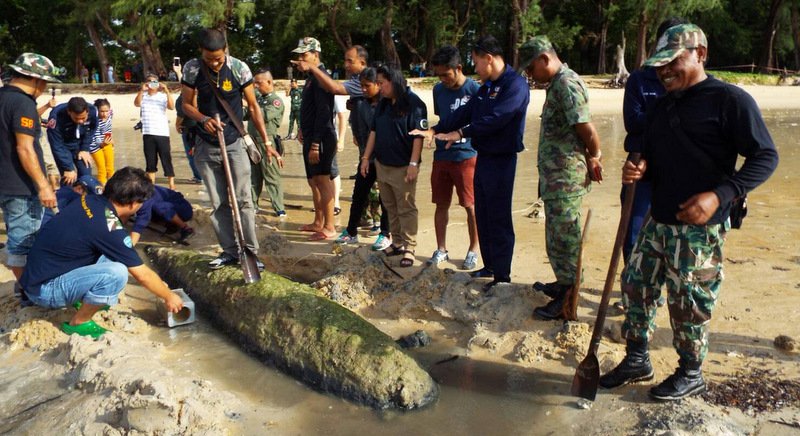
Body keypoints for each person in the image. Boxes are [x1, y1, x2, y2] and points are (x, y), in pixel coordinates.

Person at [599, 24, 779, 401]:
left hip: (699, 227)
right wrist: (640, 166)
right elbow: (651, 152)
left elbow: (766, 156)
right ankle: (637, 359)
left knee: (689, 302)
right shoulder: (663, 104)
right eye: (660, 65)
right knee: (636, 288)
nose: (664, 71)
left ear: (701, 54)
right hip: (657, 218)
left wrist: (721, 195)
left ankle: (691, 372)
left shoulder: (730, 100)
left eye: (673, 62)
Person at [414, 35, 530, 291]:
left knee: (499, 217)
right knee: (484, 214)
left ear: (489, 59)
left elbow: (498, 118)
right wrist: (436, 130)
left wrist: (460, 134)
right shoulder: (487, 87)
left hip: (502, 159)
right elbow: (464, 114)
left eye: (477, 62)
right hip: (484, 157)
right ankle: (489, 266)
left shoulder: (515, 85)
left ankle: (502, 276)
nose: (475, 68)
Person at [20, 167, 184, 338]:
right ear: (133, 203)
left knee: (116, 255)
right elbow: (142, 275)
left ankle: (84, 300)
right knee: (117, 273)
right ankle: (79, 322)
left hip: (38, 274)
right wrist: (169, 296)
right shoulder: (109, 227)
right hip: (44, 290)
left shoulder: (89, 200)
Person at [518, 36, 604, 320]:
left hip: (566, 177)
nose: (530, 75)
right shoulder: (557, 84)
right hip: (556, 176)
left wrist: (595, 155)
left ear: (545, 59)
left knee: (565, 235)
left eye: (531, 69)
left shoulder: (566, 84)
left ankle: (568, 298)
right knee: (556, 235)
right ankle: (564, 282)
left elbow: (586, 128)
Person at [179, 28, 280, 269]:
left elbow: (254, 107)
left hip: (234, 143)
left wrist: (265, 142)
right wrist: (204, 119)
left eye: (218, 58)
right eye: (209, 58)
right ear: (201, 52)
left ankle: (250, 252)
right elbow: (185, 105)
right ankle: (230, 251)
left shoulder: (238, 68)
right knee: (219, 203)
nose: (214, 63)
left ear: (226, 50)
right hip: (206, 144)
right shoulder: (192, 69)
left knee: (244, 199)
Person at [613, 17, 687, 313]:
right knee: (632, 230)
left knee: (676, 234)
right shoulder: (640, 79)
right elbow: (633, 123)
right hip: (639, 163)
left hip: (677, 169)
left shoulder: (692, 81)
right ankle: (635, 289)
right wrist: (671, 118)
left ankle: (665, 293)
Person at [0, 53, 59, 292]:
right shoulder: (23, 103)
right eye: (44, 83)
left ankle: (25, 284)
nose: (44, 89)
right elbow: (25, 148)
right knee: (24, 240)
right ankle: (29, 290)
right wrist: (43, 185)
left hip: (4, 182)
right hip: (20, 185)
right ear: (36, 80)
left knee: (20, 234)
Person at [359, 65, 427, 268]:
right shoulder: (383, 104)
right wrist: (366, 158)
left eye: (382, 83)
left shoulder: (415, 104)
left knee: (406, 207)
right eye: (377, 83)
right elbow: (374, 132)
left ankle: (410, 247)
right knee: (390, 206)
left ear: (394, 81)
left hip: (403, 166)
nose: (379, 88)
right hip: (382, 164)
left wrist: (413, 163)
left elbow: (418, 137)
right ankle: (397, 242)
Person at [426, 45, 481, 270]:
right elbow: (442, 120)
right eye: (438, 75)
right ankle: (441, 249)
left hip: (467, 155)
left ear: (458, 68)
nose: (442, 79)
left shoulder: (475, 90)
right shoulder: (438, 91)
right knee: (441, 204)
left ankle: (473, 249)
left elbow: (480, 123)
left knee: (470, 205)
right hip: (442, 155)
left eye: (446, 74)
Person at [334, 67, 392, 251]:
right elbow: (358, 131)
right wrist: (364, 156)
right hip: (366, 157)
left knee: (386, 198)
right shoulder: (360, 104)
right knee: (358, 194)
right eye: (361, 86)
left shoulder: (388, 104)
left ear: (378, 84)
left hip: (386, 159)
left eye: (367, 86)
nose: (364, 89)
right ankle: (351, 232)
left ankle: (386, 233)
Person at [292, 37, 338, 241]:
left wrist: (316, 143)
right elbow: (309, 109)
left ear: (315, 55)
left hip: (322, 137)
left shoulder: (321, 78)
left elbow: (324, 113)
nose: (300, 59)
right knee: (313, 181)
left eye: (305, 55)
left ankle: (329, 226)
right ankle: (318, 221)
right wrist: (302, 128)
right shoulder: (311, 77)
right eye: (299, 55)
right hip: (311, 135)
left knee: (323, 180)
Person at [246, 68, 286, 217]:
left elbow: (261, 116)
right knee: (253, 177)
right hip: (252, 142)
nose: (256, 86)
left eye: (259, 83)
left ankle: (279, 207)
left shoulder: (274, 101)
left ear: (269, 82)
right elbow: (246, 114)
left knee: (271, 176)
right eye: (254, 83)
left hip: (267, 143)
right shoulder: (258, 100)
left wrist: (249, 105)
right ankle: (253, 205)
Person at [134, 72, 176, 190]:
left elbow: (172, 107)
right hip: (148, 132)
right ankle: (151, 185)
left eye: (154, 82)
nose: (152, 84)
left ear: (158, 84)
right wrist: (142, 90)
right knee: (150, 160)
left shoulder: (162, 96)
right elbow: (136, 104)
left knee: (166, 158)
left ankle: (171, 184)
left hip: (162, 132)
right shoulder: (143, 96)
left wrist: (166, 90)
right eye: (150, 82)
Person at [46, 96, 97, 185]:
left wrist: (85, 148)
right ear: (69, 112)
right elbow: (56, 144)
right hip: (63, 146)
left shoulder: (92, 111)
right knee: (69, 178)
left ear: (87, 112)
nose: (81, 121)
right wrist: (68, 167)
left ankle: (85, 198)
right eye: (77, 118)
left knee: (87, 177)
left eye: (83, 118)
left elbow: (91, 129)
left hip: (79, 145)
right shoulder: (56, 116)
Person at [129, 184, 194, 245]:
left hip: (184, 210)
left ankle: (186, 228)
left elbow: (141, 222)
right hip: (169, 206)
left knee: (158, 207)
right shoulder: (134, 190)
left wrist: (129, 247)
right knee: (153, 211)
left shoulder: (143, 195)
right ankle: (172, 224)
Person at [175, 94, 202, 183]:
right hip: (201, 129)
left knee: (191, 154)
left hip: (189, 129)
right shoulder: (201, 96)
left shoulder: (183, 98)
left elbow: (181, 114)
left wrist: (177, 125)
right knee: (200, 152)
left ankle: (198, 177)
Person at [90, 98, 115, 184]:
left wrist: (111, 139)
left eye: (106, 111)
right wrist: (102, 144)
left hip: (107, 143)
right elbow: (96, 137)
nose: (104, 114)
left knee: (110, 168)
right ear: (97, 111)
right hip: (95, 146)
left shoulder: (110, 115)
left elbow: (108, 128)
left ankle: (112, 187)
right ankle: (102, 187)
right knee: (102, 170)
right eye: (102, 111)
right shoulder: (95, 121)